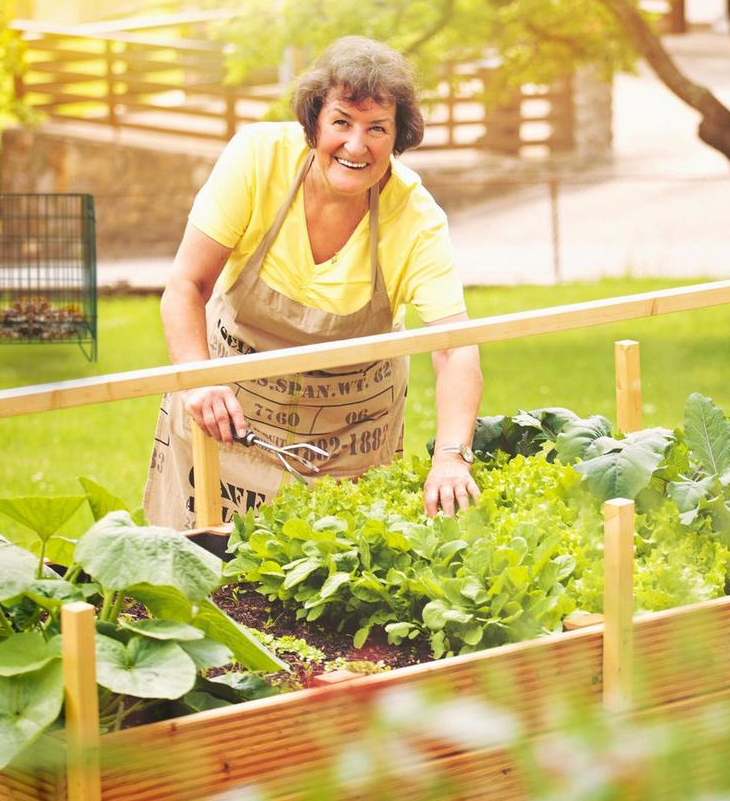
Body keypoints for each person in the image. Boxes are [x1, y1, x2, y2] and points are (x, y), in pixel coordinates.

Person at [144, 35, 482, 530]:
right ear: (314, 121)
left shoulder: (415, 215)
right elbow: (187, 285)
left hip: (347, 445)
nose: (355, 144)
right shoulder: (259, 158)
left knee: (327, 589)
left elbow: (453, 346)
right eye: (341, 121)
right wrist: (200, 379)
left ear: (399, 136)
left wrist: (452, 456)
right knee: (199, 580)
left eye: (377, 128)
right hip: (227, 417)